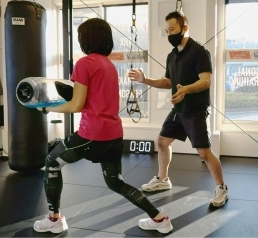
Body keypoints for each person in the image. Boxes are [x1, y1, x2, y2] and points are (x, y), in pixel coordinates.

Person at [33, 18, 173, 234]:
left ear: (86, 39)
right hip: (114, 134)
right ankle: (159, 218)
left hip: (91, 135)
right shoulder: (109, 65)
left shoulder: (84, 63)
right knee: (116, 183)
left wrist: (47, 109)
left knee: (52, 162)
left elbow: (77, 105)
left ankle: (54, 219)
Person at [128, 11, 228, 207]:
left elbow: (206, 81)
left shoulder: (199, 51)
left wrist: (186, 90)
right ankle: (163, 179)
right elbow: (169, 82)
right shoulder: (172, 56)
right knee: (163, 141)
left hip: (195, 110)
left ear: (185, 28)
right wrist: (145, 79)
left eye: (172, 29)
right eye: (166, 31)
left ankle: (221, 188)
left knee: (204, 152)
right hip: (178, 110)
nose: (169, 34)